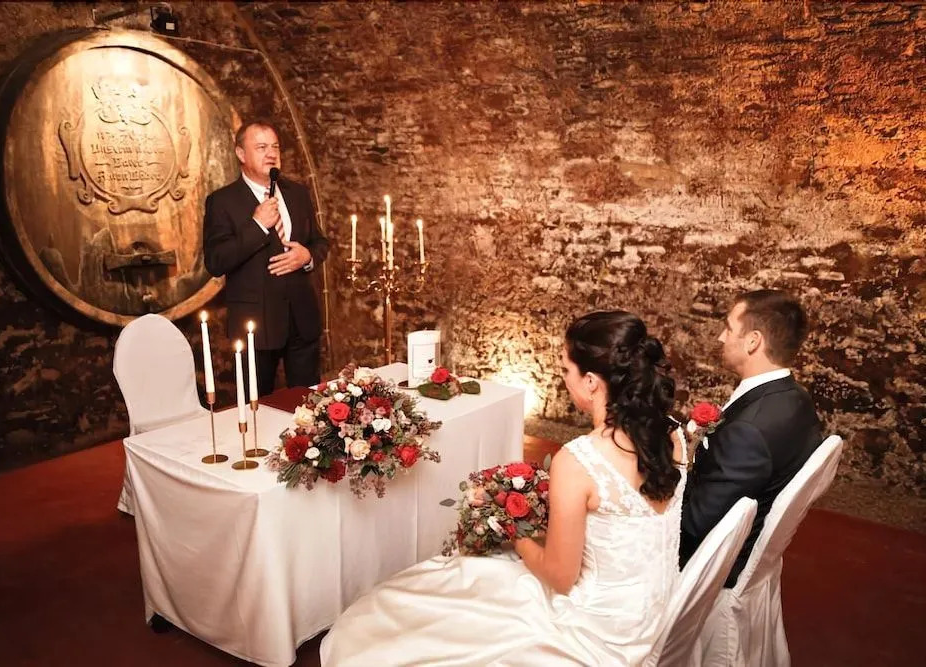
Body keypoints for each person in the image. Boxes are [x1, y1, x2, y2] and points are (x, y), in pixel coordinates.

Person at [321, 311, 686, 666]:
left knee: (454, 597)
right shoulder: (673, 436)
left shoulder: (579, 461)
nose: (564, 380)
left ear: (591, 381)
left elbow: (561, 578)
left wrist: (514, 530)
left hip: (599, 631)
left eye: (565, 370)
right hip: (659, 617)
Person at [680, 289, 822, 587]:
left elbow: (694, 525)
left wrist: (672, 468)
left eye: (729, 328)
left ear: (753, 341)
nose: (721, 337)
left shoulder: (748, 430)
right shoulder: (796, 399)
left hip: (711, 567)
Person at [203, 121, 329, 395]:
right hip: (256, 327)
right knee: (257, 408)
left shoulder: (298, 193)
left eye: (275, 147)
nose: (271, 154)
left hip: (302, 320)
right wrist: (258, 225)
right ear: (241, 153)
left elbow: (320, 243)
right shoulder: (222, 201)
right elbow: (216, 261)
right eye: (261, 147)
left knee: (309, 405)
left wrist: (307, 256)